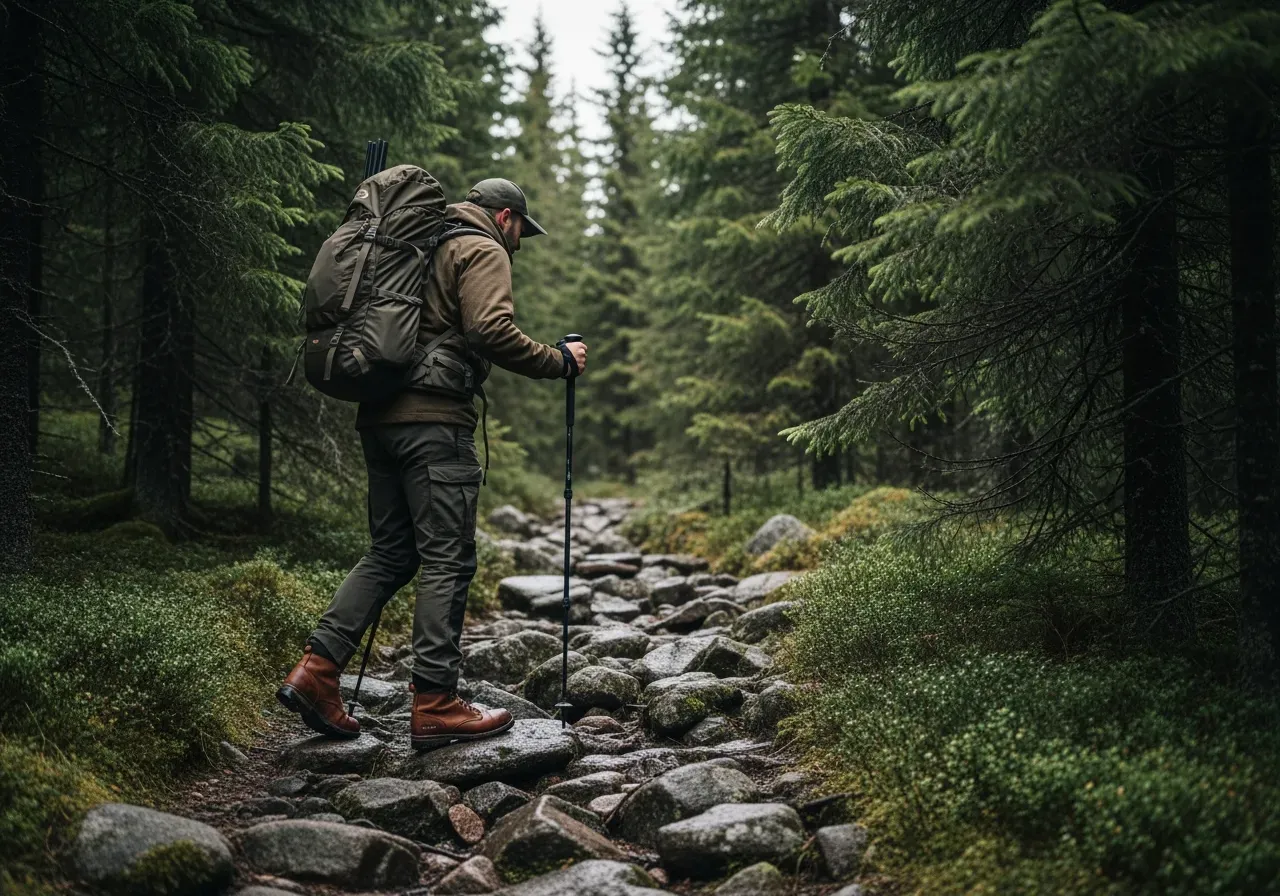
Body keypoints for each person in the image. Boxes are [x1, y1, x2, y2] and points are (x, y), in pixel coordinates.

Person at [277, 178, 589, 750]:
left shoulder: (412, 244)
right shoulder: (479, 246)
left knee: (391, 552)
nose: (520, 242)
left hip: (379, 416)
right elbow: (490, 329)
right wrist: (558, 361)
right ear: (503, 217)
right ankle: (436, 702)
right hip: (434, 424)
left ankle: (316, 673)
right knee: (448, 555)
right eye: (521, 230)